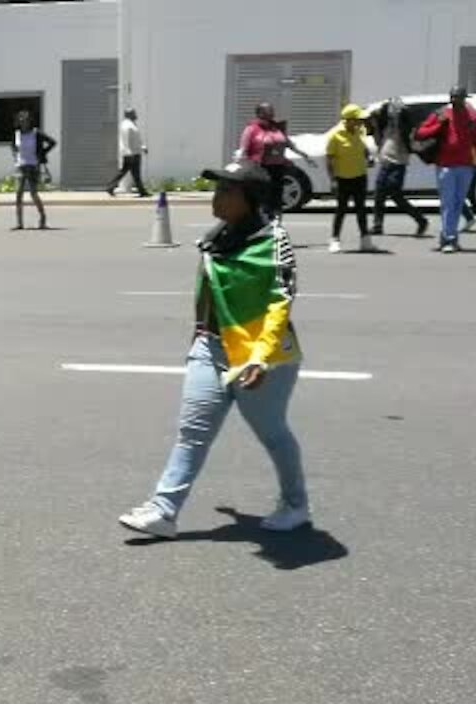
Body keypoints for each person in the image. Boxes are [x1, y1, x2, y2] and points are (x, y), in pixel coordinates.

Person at [119, 162, 309, 540]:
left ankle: (295, 505)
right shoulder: (216, 238)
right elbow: (207, 290)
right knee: (192, 431)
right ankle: (164, 510)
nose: (216, 197)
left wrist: (259, 356)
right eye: (217, 189)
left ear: (250, 199)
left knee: (272, 433)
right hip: (211, 347)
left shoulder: (274, 241)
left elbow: (280, 301)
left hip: (262, 356)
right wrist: (199, 333)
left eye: (226, 191)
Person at [415, 86, 476, 254]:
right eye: (452, 97)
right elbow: (420, 133)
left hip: (466, 166)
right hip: (445, 166)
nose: (454, 100)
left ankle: (447, 237)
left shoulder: (474, 117)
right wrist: (438, 125)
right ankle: (449, 239)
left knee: (458, 204)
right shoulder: (441, 114)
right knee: (448, 203)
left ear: (464, 98)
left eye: (458, 97)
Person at [237, 102, 317, 218]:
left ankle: (277, 224)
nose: (271, 113)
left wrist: (305, 156)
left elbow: (288, 144)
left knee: (277, 200)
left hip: (278, 169)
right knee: (264, 199)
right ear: (259, 113)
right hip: (261, 169)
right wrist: (240, 163)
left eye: (271, 110)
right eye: (267, 110)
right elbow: (243, 148)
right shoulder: (251, 129)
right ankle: (262, 223)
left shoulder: (276, 128)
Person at [369, 98, 430, 237]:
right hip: (385, 161)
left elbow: (411, 137)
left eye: (394, 111)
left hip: (398, 162)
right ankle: (377, 225)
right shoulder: (384, 126)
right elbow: (377, 137)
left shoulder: (404, 127)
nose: (392, 113)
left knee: (395, 194)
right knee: (379, 195)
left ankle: (421, 220)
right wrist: (375, 123)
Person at [325, 104, 374, 253]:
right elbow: (329, 159)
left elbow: (363, 147)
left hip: (360, 176)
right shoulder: (335, 135)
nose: (361, 122)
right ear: (349, 120)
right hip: (342, 178)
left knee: (361, 209)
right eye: (358, 119)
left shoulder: (360, 130)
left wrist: (369, 156)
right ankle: (335, 239)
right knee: (341, 210)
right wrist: (333, 180)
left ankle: (365, 241)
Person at [11, 110, 56, 230]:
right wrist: (15, 156)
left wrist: (41, 154)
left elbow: (52, 142)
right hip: (21, 166)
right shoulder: (17, 134)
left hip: (33, 166)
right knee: (18, 194)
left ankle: (43, 218)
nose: (23, 123)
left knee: (33, 194)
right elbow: (14, 147)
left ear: (29, 121)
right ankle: (19, 223)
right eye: (21, 120)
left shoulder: (36, 133)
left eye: (26, 120)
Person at [106, 108, 149, 198]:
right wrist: (129, 152)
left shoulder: (131, 125)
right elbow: (126, 141)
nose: (136, 115)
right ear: (129, 114)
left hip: (134, 152)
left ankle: (142, 191)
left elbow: (136, 140)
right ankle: (110, 187)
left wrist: (142, 147)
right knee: (126, 172)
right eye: (134, 113)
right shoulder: (127, 126)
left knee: (135, 173)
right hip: (131, 153)